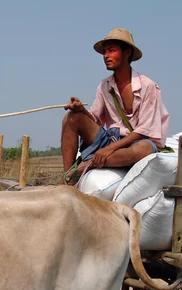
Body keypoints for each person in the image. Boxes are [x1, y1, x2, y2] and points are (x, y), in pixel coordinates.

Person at [61, 27, 170, 185]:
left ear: (127, 53)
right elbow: (95, 119)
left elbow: (144, 130)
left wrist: (108, 150)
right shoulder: (105, 85)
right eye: (105, 52)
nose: (106, 56)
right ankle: (68, 179)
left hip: (136, 141)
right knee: (71, 118)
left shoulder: (148, 86)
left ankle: (87, 164)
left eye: (111, 51)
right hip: (111, 137)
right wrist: (81, 110)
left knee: (143, 151)